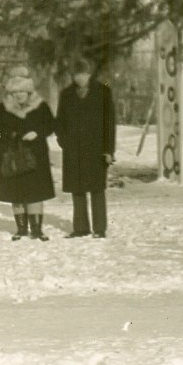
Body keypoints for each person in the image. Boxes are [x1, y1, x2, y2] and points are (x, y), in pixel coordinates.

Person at [55, 58, 117, 238]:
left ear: (89, 74)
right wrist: (63, 141)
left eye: (83, 74)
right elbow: (60, 121)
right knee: (77, 189)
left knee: (97, 189)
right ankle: (80, 228)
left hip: (96, 149)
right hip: (73, 150)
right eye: (76, 75)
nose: (79, 78)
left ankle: (100, 229)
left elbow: (109, 123)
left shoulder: (103, 92)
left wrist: (108, 150)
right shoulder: (66, 94)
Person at [0, 69, 55, 241]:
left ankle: (36, 229)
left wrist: (38, 133)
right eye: (15, 92)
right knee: (16, 193)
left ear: (29, 91)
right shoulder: (2, 108)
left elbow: (51, 126)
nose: (19, 95)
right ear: (11, 92)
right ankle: (21, 229)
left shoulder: (41, 106)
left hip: (36, 155)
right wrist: (3, 140)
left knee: (36, 192)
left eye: (22, 91)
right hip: (12, 156)